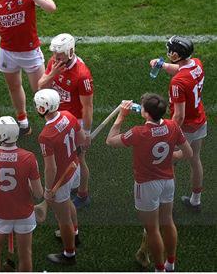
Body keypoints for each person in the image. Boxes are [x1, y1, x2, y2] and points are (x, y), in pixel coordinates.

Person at [106, 94, 192, 272]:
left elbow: (110, 140)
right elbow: (188, 153)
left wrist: (121, 116)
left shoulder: (139, 132)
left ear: (145, 113)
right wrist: (173, 155)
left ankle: (159, 269)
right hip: (168, 181)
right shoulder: (173, 126)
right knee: (167, 221)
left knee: (152, 230)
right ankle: (170, 263)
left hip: (146, 185)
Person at [0, 0, 56, 136]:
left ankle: (52, 122)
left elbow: (51, 7)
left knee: (42, 90)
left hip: (30, 52)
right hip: (8, 52)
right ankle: (22, 120)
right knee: (14, 87)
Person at [0, 116, 43, 271]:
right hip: (24, 214)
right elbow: (38, 193)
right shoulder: (29, 158)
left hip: (0, 213)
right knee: (26, 254)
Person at [150, 36, 206, 212]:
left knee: (167, 164)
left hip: (185, 126)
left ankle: (164, 203)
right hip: (200, 121)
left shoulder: (177, 83)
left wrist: (169, 134)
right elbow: (182, 70)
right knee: (195, 160)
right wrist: (163, 66)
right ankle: (195, 200)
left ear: (176, 54)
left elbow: (179, 116)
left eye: (170, 50)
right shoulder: (196, 64)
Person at [38, 33, 93, 209]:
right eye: (54, 53)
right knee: (64, 158)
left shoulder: (82, 75)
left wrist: (86, 132)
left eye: (59, 54)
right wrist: (52, 74)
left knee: (79, 158)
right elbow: (41, 85)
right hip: (57, 118)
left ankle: (83, 194)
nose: (56, 57)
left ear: (70, 52)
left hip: (74, 121)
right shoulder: (54, 63)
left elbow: (88, 107)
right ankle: (71, 185)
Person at [35, 88, 87, 265]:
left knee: (62, 219)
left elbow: (51, 168)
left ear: (42, 108)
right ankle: (76, 233)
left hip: (61, 180)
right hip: (74, 167)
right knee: (67, 203)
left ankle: (69, 254)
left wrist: (48, 189)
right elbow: (81, 139)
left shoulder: (45, 136)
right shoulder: (68, 115)